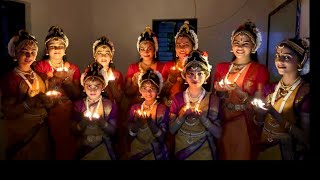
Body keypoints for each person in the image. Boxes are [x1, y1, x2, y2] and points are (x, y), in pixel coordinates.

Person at [213, 20, 269, 160]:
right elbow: (215, 97)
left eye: (245, 43)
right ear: (232, 45)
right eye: (236, 42)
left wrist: (241, 94)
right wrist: (220, 92)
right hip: (222, 120)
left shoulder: (259, 70)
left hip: (244, 122)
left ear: (254, 46)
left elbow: (260, 104)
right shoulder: (222, 67)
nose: (240, 46)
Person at [251, 38, 310, 160]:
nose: (279, 60)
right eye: (278, 55)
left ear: (300, 62)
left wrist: (274, 113)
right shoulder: (271, 88)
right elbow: (259, 122)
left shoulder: (305, 94)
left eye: (287, 57)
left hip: (288, 152)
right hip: (264, 149)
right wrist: (260, 114)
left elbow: (306, 138)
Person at [1, 30, 53, 160]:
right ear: (15, 53)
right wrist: (29, 102)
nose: (29, 55)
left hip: (40, 131)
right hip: (20, 134)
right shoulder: (10, 79)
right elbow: (9, 112)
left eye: (33, 52)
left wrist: (49, 101)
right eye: (24, 51)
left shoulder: (40, 76)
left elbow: (48, 102)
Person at [34, 26, 81, 160]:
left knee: (68, 144)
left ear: (65, 49)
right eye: (53, 46)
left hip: (67, 112)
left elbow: (77, 95)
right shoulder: (40, 66)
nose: (56, 49)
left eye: (60, 46)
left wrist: (67, 81)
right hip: (47, 110)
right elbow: (40, 90)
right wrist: (54, 79)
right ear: (47, 49)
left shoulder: (73, 68)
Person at [169, 50, 222, 160]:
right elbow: (171, 130)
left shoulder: (213, 99)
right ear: (184, 76)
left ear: (206, 76)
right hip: (181, 149)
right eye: (191, 73)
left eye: (199, 73)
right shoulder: (178, 98)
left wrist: (203, 118)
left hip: (204, 151)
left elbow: (218, 134)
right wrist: (182, 116)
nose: (195, 78)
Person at [122, 26, 165, 158]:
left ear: (155, 50)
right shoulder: (133, 67)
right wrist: (136, 84)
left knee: (155, 135)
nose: (146, 52)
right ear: (138, 51)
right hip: (136, 106)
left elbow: (163, 90)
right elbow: (127, 92)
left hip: (155, 105)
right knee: (135, 134)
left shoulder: (162, 67)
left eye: (149, 48)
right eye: (142, 49)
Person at [72, 62, 118, 160]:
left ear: (103, 86)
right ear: (83, 87)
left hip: (103, 149)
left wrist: (103, 123)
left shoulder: (109, 105)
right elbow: (73, 130)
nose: (92, 90)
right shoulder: (78, 105)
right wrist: (83, 123)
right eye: (89, 86)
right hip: (84, 148)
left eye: (97, 86)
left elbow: (113, 131)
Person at [161, 20, 212, 107]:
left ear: (193, 47)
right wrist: (170, 81)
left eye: (186, 45)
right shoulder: (169, 66)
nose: (181, 48)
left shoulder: (202, 66)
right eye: (178, 45)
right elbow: (160, 93)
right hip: (170, 107)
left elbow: (206, 90)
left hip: (194, 108)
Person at [127, 69, 169, 160]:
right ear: (140, 91)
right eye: (144, 88)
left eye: (152, 89)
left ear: (158, 91)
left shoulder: (162, 109)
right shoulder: (135, 108)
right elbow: (129, 136)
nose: (148, 92)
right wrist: (138, 124)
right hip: (137, 151)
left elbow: (162, 138)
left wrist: (150, 123)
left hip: (155, 153)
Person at [81, 36, 124, 105]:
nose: (103, 56)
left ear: (111, 56)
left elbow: (119, 98)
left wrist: (113, 87)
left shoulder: (116, 75)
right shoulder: (88, 72)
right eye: (100, 53)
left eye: (107, 53)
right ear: (95, 55)